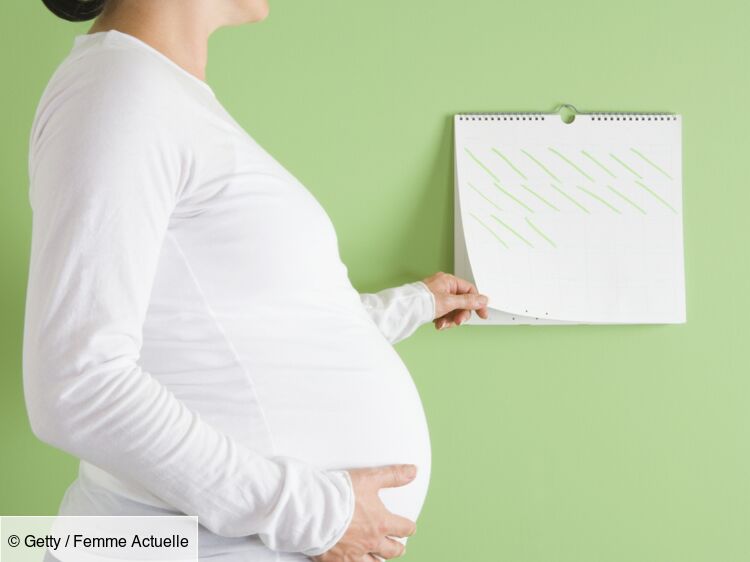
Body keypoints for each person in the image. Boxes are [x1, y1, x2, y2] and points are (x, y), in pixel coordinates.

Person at [23, 1, 490, 560]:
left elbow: (253, 321)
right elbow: (76, 383)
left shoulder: (154, 92)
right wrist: (315, 515)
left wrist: (410, 305)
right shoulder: (118, 90)